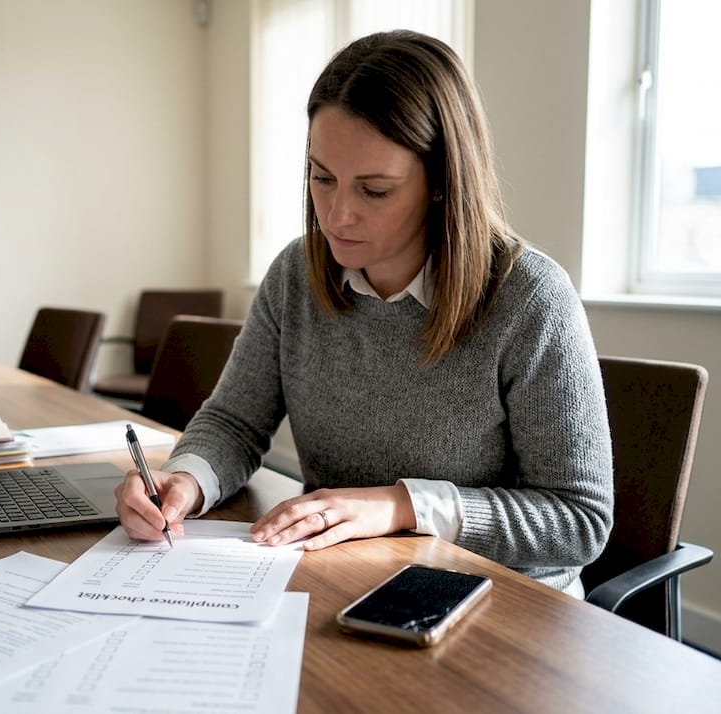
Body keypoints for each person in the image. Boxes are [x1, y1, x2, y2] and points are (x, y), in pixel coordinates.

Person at [115, 29, 613, 595]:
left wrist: (401, 506)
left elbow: (578, 520)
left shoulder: (529, 298)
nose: (337, 216)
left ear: (441, 185)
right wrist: (186, 480)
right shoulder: (295, 276)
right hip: (349, 581)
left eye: (374, 191)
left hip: (499, 602)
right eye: (322, 178)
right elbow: (234, 422)